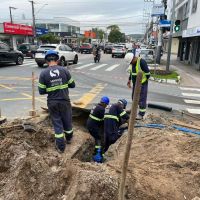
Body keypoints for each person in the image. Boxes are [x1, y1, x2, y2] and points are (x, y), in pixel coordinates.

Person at [38, 50, 75, 153]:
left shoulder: (43, 73)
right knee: (67, 120)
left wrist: (51, 88)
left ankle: (60, 147)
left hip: (52, 102)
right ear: (57, 60)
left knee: (57, 123)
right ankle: (69, 138)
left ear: (46, 61)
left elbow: (41, 91)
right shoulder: (65, 70)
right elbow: (73, 85)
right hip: (64, 101)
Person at [125, 49, 150, 120]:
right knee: (134, 97)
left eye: (131, 62)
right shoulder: (133, 63)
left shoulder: (142, 62)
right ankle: (133, 110)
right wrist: (129, 80)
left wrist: (143, 82)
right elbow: (132, 73)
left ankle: (141, 114)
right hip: (135, 84)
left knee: (142, 99)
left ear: (133, 58)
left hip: (142, 84)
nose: (130, 63)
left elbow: (148, 74)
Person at [87, 96, 110, 162]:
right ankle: (97, 154)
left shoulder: (95, 106)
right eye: (106, 105)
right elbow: (104, 119)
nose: (106, 106)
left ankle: (97, 152)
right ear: (105, 104)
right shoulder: (101, 109)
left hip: (89, 124)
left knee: (98, 136)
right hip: (93, 127)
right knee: (99, 138)